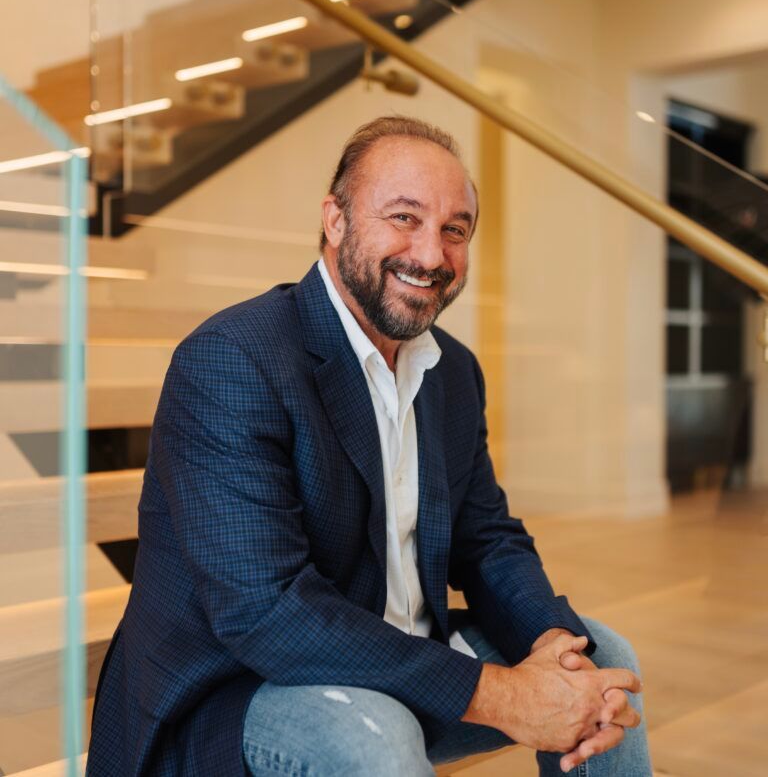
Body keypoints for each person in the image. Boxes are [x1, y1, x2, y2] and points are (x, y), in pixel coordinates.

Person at [87, 116, 652, 777]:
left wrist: (553, 645)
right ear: (335, 220)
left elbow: (488, 537)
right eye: (404, 217)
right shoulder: (233, 359)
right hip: (238, 688)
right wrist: (503, 693)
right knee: (372, 735)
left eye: (455, 228)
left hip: (400, 658)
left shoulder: (452, 371)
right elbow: (267, 613)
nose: (432, 254)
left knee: (605, 659)